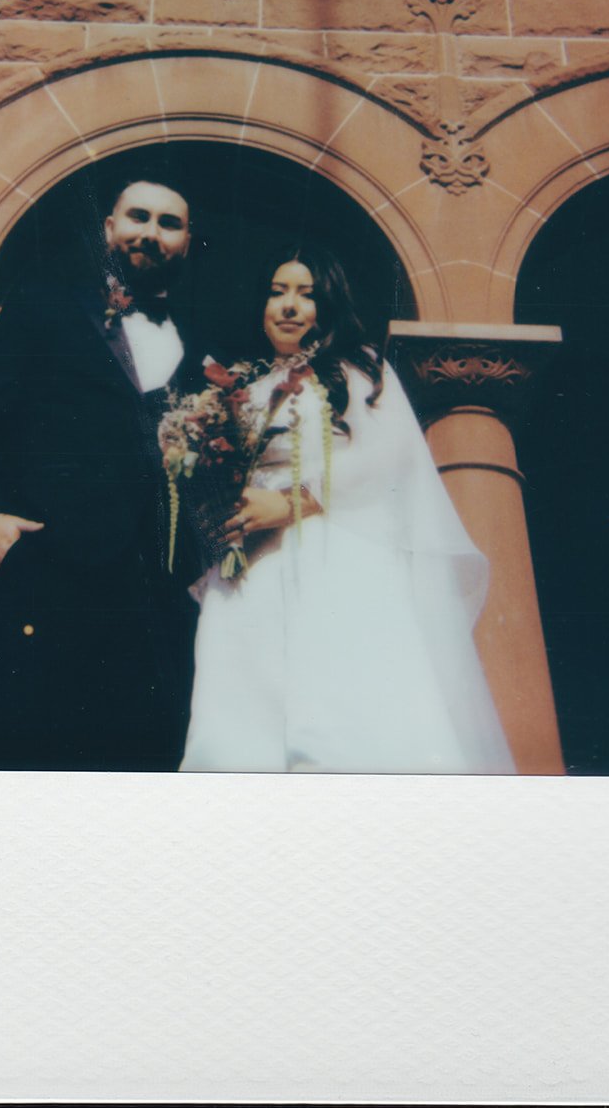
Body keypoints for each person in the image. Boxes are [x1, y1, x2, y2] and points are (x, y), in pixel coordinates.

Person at [180, 245, 516, 774]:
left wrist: (290, 502)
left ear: (328, 305)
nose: (289, 306)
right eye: (277, 292)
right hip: (252, 566)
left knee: (337, 711)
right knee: (245, 717)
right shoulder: (245, 387)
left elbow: (386, 457)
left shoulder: (357, 371)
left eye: (306, 294)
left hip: (332, 550)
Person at [0, 168, 203, 771]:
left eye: (169, 223)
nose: (151, 232)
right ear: (109, 227)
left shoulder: (201, 341)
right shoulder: (45, 303)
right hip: (51, 567)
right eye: (138, 216)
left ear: (187, 242)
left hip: (157, 592)